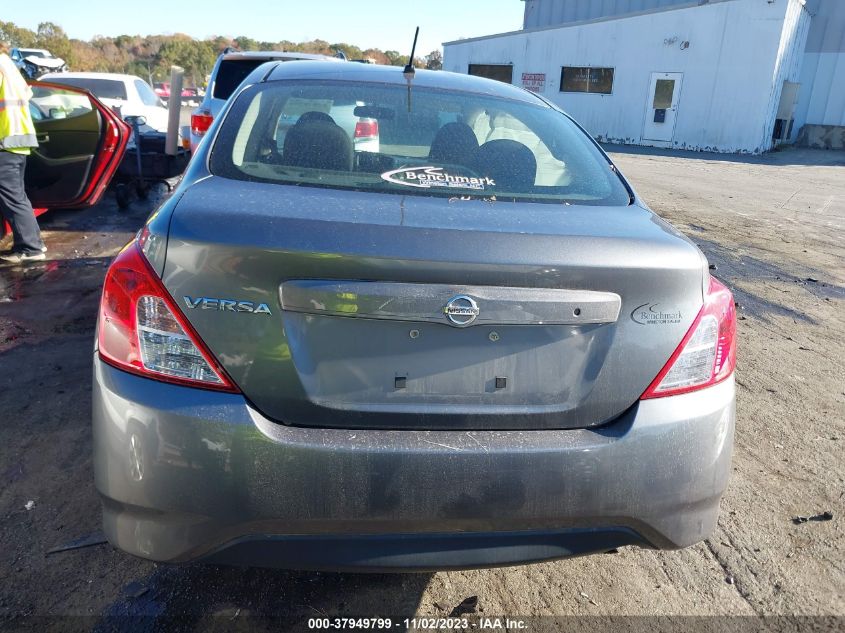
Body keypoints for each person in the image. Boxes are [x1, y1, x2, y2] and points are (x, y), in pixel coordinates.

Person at [0, 41, 46, 263]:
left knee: (12, 198)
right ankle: (31, 242)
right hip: (18, 141)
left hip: (4, 141)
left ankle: (30, 248)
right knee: (17, 196)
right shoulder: (8, 65)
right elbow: (27, 95)